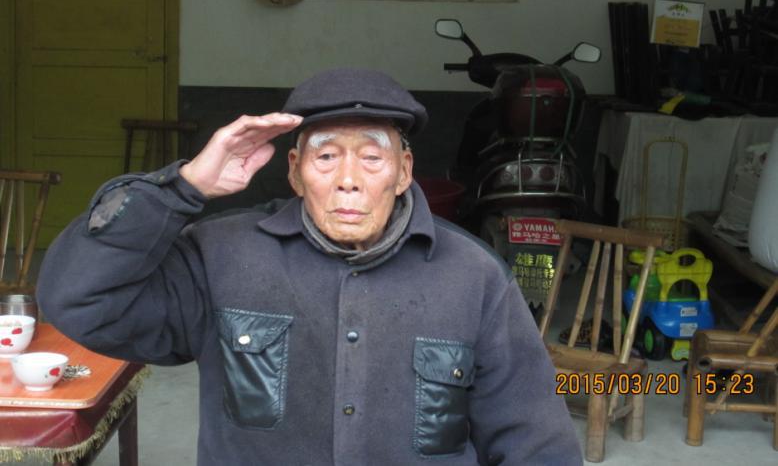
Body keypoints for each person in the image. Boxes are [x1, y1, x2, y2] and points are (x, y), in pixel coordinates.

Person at [37, 68, 582, 465]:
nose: (348, 180)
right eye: (326, 156)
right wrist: (183, 187)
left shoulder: (473, 276)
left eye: (372, 157)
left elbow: (536, 441)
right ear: (296, 172)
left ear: (403, 171)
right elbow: (80, 301)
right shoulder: (220, 255)